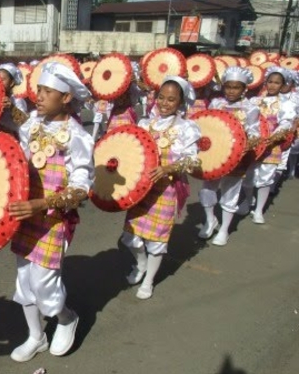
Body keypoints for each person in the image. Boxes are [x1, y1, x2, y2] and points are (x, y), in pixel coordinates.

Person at [6, 62, 94, 362]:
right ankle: (35, 336)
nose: (38, 96)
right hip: (24, 214)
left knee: (43, 282)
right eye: (38, 90)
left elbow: (81, 190)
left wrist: (41, 204)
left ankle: (67, 318)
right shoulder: (31, 125)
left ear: (66, 97)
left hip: (54, 220)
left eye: (47, 92)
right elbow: (15, 164)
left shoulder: (78, 137)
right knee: (24, 279)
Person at [123, 76, 201, 300]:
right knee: (130, 237)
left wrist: (168, 168)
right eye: (161, 97)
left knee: (156, 239)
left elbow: (193, 161)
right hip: (141, 191)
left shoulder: (186, 128)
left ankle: (148, 281)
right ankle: (141, 263)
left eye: (171, 99)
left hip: (166, 190)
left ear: (180, 102)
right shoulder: (145, 124)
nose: (164, 103)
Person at [197, 67, 260, 246]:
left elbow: (254, 132)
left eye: (236, 87)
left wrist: (250, 142)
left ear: (244, 89)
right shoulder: (216, 104)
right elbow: (206, 125)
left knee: (230, 194)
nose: (231, 91)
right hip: (213, 155)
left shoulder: (250, 108)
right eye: (228, 87)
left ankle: (224, 229)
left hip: (236, 158)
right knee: (207, 190)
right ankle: (210, 220)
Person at [245, 67, 297, 224]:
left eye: (277, 83)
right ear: (265, 82)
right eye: (270, 82)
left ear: (282, 85)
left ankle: (259, 210)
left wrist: (272, 139)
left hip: (271, 146)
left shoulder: (286, 104)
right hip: (253, 145)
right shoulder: (254, 101)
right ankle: (248, 202)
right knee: (248, 177)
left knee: (266, 179)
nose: (273, 85)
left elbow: (285, 124)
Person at [0, 63, 28, 136]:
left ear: (12, 83)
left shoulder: (18, 100)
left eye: (2, 79)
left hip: (11, 139)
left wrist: (12, 107)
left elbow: (24, 123)